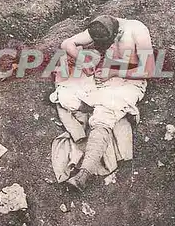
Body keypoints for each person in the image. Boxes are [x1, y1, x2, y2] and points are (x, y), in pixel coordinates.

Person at [57, 14, 155, 191]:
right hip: (104, 78)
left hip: (129, 81)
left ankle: (83, 175)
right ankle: (98, 108)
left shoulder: (137, 30)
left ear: (115, 32)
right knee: (65, 96)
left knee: (104, 114)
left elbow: (148, 70)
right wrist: (83, 60)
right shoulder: (101, 25)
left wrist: (114, 73)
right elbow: (67, 44)